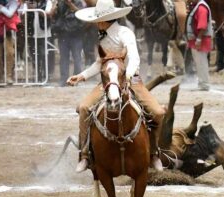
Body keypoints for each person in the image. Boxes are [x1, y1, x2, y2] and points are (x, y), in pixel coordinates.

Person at [67, 0, 164, 173]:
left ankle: (154, 153)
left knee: (157, 112)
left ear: (104, 20)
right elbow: (99, 64)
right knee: (83, 108)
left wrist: (127, 75)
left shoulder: (125, 33)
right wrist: (81, 76)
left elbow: (134, 58)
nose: (96, 23)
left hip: (130, 79)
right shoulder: (101, 36)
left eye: (97, 20)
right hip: (108, 81)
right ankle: (84, 155)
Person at [55, 0, 84, 86]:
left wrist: (71, 5)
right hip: (63, 34)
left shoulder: (78, 2)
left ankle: (76, 79)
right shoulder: (60, 3)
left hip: (76, 34)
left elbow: (82, 14)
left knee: (77, 57)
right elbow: (56, 16)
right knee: (63, 58)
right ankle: (64, 79)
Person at [0, 0, 20, 84]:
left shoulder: (14, 2)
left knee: (10, 53)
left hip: (9, 30)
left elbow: (10, 13)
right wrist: (3, 9)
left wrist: (1, 8)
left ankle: (9, 76)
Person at [186, 0, 213, 91]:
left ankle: (204, 84)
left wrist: (198, 39)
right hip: (197, 38)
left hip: (201, 39)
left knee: (201, 62)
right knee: (198, 62)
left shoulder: (201, 8)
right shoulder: (196, 6)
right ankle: (201, 82)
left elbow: (202, 25)